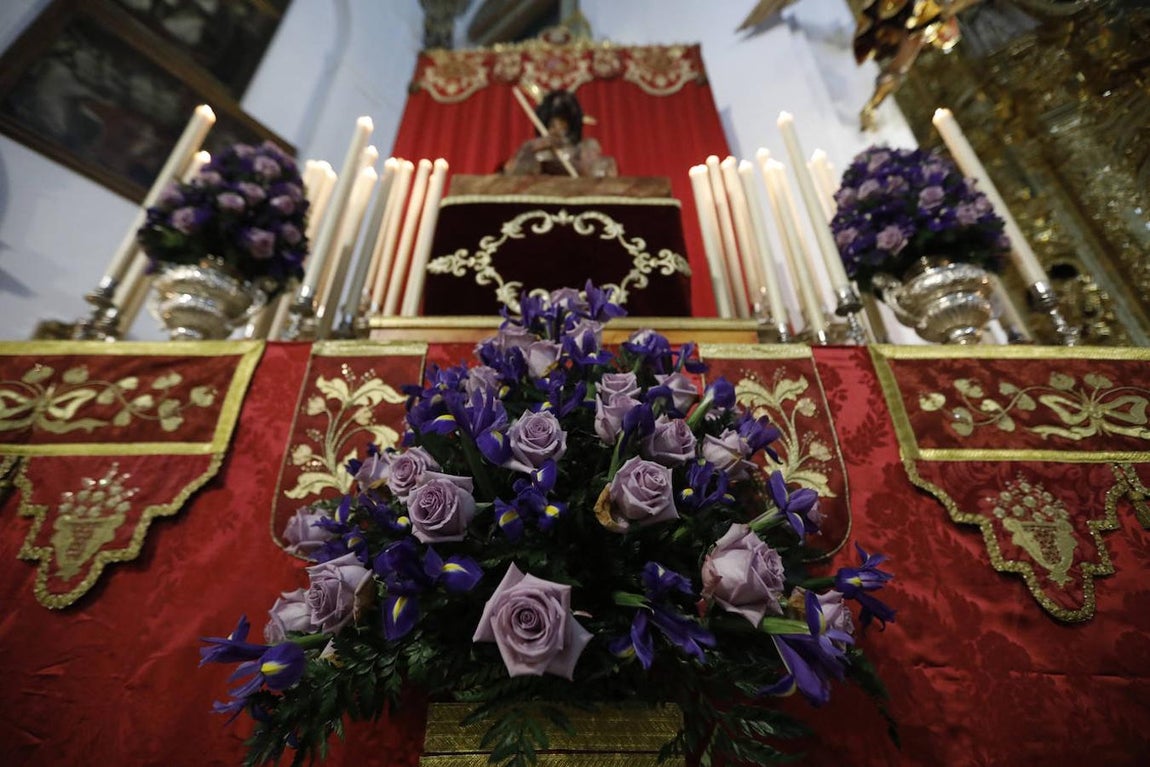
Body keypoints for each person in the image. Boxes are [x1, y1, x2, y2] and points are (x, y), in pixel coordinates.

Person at [503, 89, 617, 177]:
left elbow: (593, 174)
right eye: (551, 124)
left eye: (562, 123)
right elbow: (513, 178)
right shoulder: (534, 150)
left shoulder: (586, 146)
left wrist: (557, 165)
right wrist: (529, 149)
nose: (556, 129)